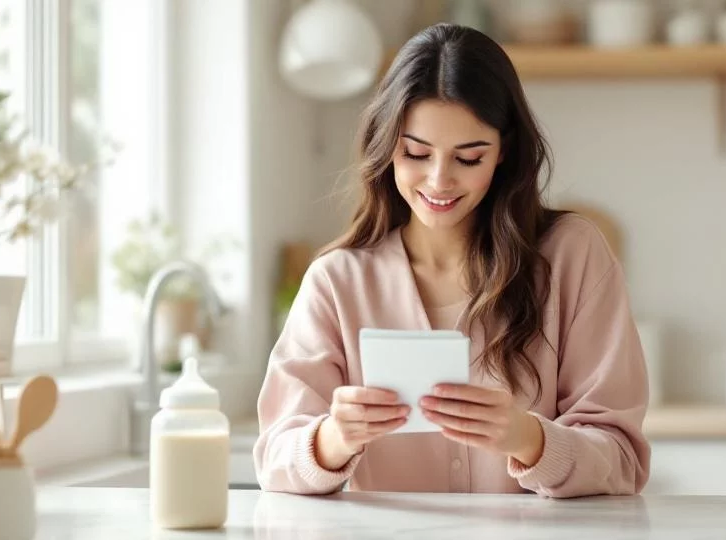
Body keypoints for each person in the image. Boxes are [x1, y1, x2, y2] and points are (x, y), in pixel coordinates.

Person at [252, 23, 650, 499]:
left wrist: (528, 438)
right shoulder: (338, 281)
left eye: (468, 158)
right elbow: (275, 459)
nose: (439, 181)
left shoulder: (571, 255)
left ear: (504, 152)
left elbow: (623, 460)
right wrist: (334, 439)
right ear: (387, 147)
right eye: (416, 153)